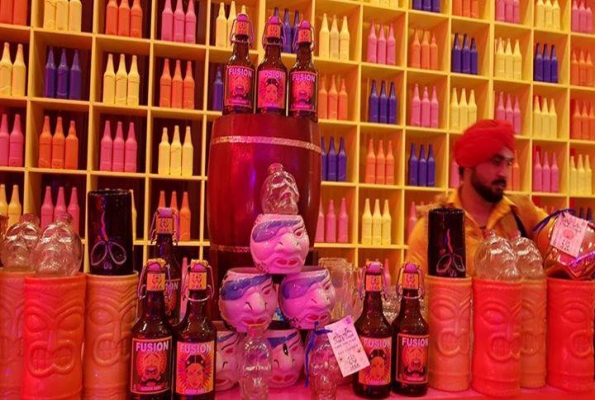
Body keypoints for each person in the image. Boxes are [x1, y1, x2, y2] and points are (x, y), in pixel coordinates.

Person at [407, 120, 548, 276]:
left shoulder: (523, 213)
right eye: (496, 162)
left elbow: (562, 242)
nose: (504, 173)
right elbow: (412, 287)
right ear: (469, 164)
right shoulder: (430, 228)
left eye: (508, 163)